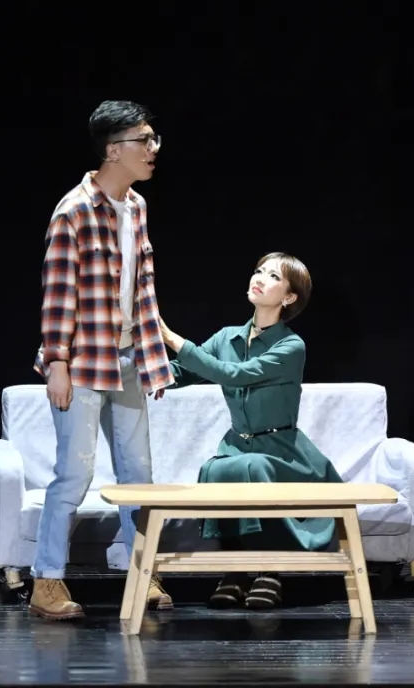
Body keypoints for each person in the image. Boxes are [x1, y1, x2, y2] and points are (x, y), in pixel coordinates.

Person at [28, 100, 175, 620]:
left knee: (139, 474)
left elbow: (143, 287)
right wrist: (58, 363)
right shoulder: (73, 211)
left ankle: (141, 571)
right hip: (83, 361)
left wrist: (154, 356)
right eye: (144, 140)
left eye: (154, 139)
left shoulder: (136, 207)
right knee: (74, 473)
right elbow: (58, 293)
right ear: (113, 150)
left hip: (129, 358)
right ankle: (46, 580)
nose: (153, 149)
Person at [156, 252, 344, 609]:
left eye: (273, 276)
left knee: (254, 467)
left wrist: (171, 337)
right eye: (259, 271)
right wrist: (138, 371)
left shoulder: (291, 346)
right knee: (216, 468)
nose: (260, 278)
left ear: (289, 297)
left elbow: (235, 375)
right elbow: (182, 372)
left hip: (281, 451)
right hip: (237, 445)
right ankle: (235, 570)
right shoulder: (227, 337)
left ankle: (270, 571)